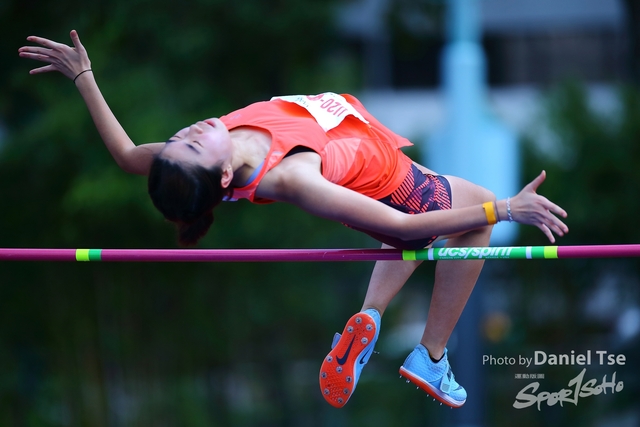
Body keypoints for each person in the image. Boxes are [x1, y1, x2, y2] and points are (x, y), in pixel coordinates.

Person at [19, 30, 568, 409]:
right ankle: (431, 354)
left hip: (371, 161)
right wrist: (506, 208)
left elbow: (126, 155)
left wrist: (83, 76)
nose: (189, 131)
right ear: (224, 176)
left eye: (180, 137)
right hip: (395, 187)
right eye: (193, 143)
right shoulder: (290, 178)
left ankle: (371, 316)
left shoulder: (198, 163)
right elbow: (403, 226)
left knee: (412, 234)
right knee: (470, 218)